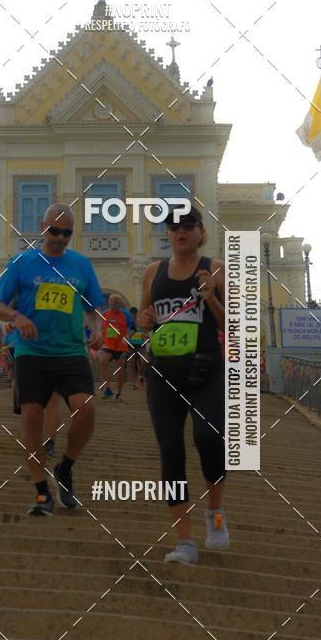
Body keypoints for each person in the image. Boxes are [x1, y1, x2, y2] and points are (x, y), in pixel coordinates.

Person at [0, 203, 104, 516]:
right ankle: (42, 493)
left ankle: (65, 467)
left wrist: (97, 330)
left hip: (71, 351)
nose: (60, 238)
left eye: (67, 233)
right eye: (55, 231)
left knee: (87, 408)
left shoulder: (81, 265)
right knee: (31, 417)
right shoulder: (22, 262)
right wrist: (17, 317)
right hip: (32, 352)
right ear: (43, 227)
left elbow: (93, 308)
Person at [137, 205, 228, 564]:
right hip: (163, 373)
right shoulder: (153, 271)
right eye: (174, 226)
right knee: (171, 450)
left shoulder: (215, 268)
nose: (181, 231)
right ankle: (185, 542)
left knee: (209, 437)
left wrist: (211, 297)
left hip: (206, 369)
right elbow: (145, 319)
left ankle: (215, 514)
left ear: (201, 232)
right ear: (168, 234)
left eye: (189, 225)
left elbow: (232, 323)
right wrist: (146, 320)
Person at [98, 294, 133, 401]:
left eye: (117, 302)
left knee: (121, 369)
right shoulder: (105, 313)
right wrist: (100, 338)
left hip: (121, 347)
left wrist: (128, 336)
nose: (114, 304)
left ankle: (118, 393)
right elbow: (101, 328)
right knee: (102, 360)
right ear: (109, 302)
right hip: (108, 345)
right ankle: (107, 389)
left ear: (121, 303)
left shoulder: (126, 314)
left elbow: (133, 328)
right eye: (113, 302)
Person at [128, 306, 148, 389]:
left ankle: (140, 376)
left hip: (141, 346)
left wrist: (146, 337)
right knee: (132, 364)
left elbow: (146, 334)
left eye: (135, 314)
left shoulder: (141, 323)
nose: (133, 316)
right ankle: (134, 382)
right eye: (132, 315)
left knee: (144, 361)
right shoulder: (128, 324)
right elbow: (126, 334)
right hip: (131, 346)